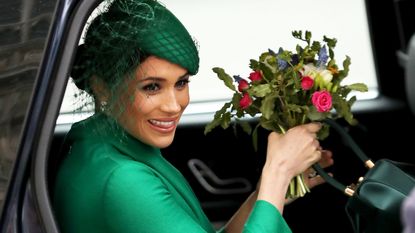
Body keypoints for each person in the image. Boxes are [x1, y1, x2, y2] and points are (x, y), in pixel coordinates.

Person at [53, 0, 333, 232]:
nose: (174, 106)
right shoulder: (123, 179)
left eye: (181, 83)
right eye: (152, 87)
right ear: (102, 86)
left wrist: (268, 195)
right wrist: (278, 170)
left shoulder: (100, 145)